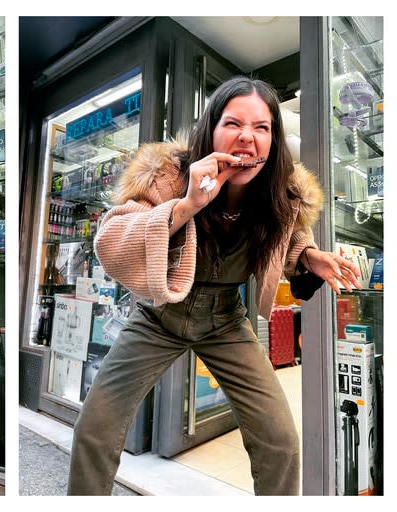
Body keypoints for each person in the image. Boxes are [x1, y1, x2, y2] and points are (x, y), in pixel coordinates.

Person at [67, 76, 362, 496]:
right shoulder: (167, 175)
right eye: (233, 123)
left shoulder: (282, 192)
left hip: (226, 321)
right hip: (157, 318)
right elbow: (111, 241)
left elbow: (290, 238)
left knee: (281, 443)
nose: (247, 138)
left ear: (274, 141)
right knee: (94, 431)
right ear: (210, 128)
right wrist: (187, 205)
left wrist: (308, 256)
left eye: (262, 128)